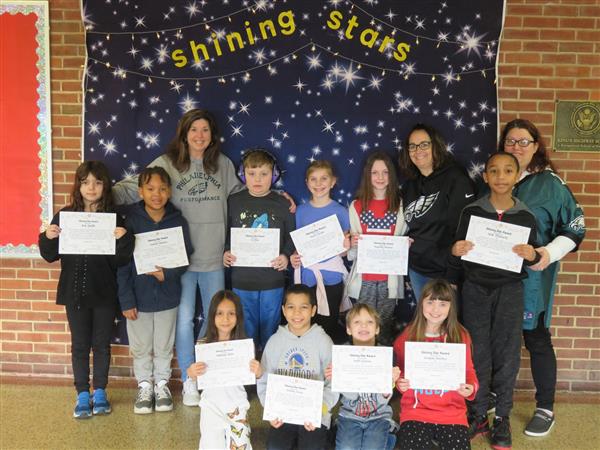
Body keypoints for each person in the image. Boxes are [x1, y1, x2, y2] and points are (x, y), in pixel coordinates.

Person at [111, 109, 243, 406]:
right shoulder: (167, 163)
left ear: (212, 135)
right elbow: (135, 187)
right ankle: (189, 380)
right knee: (183, 321)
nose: (199, 136)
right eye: (193, 129)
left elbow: (244, 194)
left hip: (213, 259)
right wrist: (97, 200)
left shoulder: (222, 165)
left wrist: (278, 197)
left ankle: (210, 377)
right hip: (177, 262)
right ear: (184, 133)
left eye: (205, 130)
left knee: (214, 321)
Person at [448, 152, 541, 449]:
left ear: (517, 176)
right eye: (494, 171)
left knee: (508, 353)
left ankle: (502, 418)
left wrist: (533, 255)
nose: (501, 177)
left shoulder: (526, 216)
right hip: (475, 288)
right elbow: (459, 255)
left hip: (509, 291)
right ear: (485, 176)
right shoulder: (471, 211)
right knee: (477, 351)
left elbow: (531, 257)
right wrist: (456, 250)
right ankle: (478, 415)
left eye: (508, 171)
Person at [499, 119, 586, 437]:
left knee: (535, 339)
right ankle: (497, 398)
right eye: (510, 141)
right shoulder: (495, 178)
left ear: (536, 145)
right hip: (495, 279)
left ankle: (545, 406)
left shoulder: (550, 184)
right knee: (500, 340)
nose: (516, 147)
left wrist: (546, 254)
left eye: (524, 141)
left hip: (532, 278)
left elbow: (575, 228)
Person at [38, 161, 134, 418]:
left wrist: (123, 238)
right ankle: (82, 394)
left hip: (104, 292)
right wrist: (48, 235)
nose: (91, 187)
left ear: (105, 186)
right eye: (86, 182)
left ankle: (100, 391)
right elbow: (49, 255)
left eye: (97, 182)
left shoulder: (115, 219)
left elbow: (122, 259)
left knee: (101, 344)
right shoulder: (64, 216)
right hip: (75, 292)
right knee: (80, 345)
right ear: (78, 186)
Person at [117, 167, 193, 414]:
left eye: (162, 189)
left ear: (169, 192)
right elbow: (123, 264)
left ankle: (161, 384)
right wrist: (126, 300)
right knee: (141, 346)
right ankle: (144, 385)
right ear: (140, 191)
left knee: (163, 345)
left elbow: (184, 258)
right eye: (150, 189)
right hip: (138, 298)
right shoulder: (131, 221)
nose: (156, 194)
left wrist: (167, 274)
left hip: (168, 296)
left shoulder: (178, 221)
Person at [223, 148, 295, 351]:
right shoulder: (233, 202)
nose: (257, 179)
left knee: (271, 330)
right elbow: (224, 232)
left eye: (264, 174)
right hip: (242, 279)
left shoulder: (282, 203)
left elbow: (291, 235)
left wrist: (286, 255)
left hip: (272, 279)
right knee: (247, 332)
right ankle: (251, 375)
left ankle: (268, 373)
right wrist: (226, 251)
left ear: (273, 175)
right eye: (252, 173)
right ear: (243, 174)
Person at [393, 279, 478, 450]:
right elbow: (399, 373)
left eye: (442, 304)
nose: (435, 309)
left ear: (450, 307)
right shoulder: (408, 336)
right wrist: (400, 383)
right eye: (430, 302)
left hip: (452, 412)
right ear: (421, 303)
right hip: (415, 412)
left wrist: (471, 387)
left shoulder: (460, 335)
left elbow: (469, 370)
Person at [399, 123, 475, 300]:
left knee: (448, 326)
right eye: (412, 146)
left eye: (424, 144)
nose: (418, 150)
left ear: (436, 146)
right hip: (417, 270)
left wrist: (453, 274)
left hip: (445, 272)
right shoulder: (410, 184)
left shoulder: (455, 178)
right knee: (427, 326)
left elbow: (463, 230)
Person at [257, 284, 338, 450]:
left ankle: (328, 433)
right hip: (283, 415)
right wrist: (271, 410)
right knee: (275, 447)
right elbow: (264, 379)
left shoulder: (324, 341)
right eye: (291, 307)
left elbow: (334, 384)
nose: (297, 313)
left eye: (304, 307)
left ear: (314, 310)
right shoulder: (274, 341)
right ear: (283, 310)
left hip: (315, 415)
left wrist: (320, 410)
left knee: (312, 446)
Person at [187, 290, 263, 450]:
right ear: (212, 316)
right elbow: (195, 376)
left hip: (237, 406)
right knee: (210, 446)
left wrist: (258, 373)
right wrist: (191, 373)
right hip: (211, 406)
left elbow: (253, 379)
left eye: (231, 313)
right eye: (220, 313)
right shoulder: (203, 345)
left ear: (238, 316)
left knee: (241, 445)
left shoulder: (244, 346)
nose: (225, 319)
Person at [346, 151, 407, 345]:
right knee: (362, 328)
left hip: (389, 280)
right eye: (375, 173)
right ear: (367, 175)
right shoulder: (356, 206)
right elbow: (352, 251)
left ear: (392, 175)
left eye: (385, 172)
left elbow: (402, 238)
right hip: (364, 279)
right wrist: (352, 243)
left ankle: (384, 371)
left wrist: (405, 245)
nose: (380, 177)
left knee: (385, 327)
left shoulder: (400, 205)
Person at [291, 160, 351, 343]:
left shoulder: (341, 212)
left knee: (329, 325)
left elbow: (343, 251)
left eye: (324, 178)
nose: (319, 184)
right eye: (313, 179)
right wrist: (294, 257)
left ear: (333, 182)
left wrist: (346, 247)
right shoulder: (299, 212)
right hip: (307, 276)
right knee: (306, 325)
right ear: (307, 183)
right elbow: (297, 245)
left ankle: (327, 367)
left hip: (331, 277)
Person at [326, 304, 400, 450]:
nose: (363, 326)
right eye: (357, 322)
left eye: (370, 322)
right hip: (350, 414)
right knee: (347, 447)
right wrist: (338, 379)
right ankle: (388, 440)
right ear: (348, 328)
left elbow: (383, 400)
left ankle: (389, 436)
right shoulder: (342, 354)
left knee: (372, 447)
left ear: (377, 328)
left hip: (379, 414)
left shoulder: (386, 355)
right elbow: (351, 397)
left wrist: (389, 383)